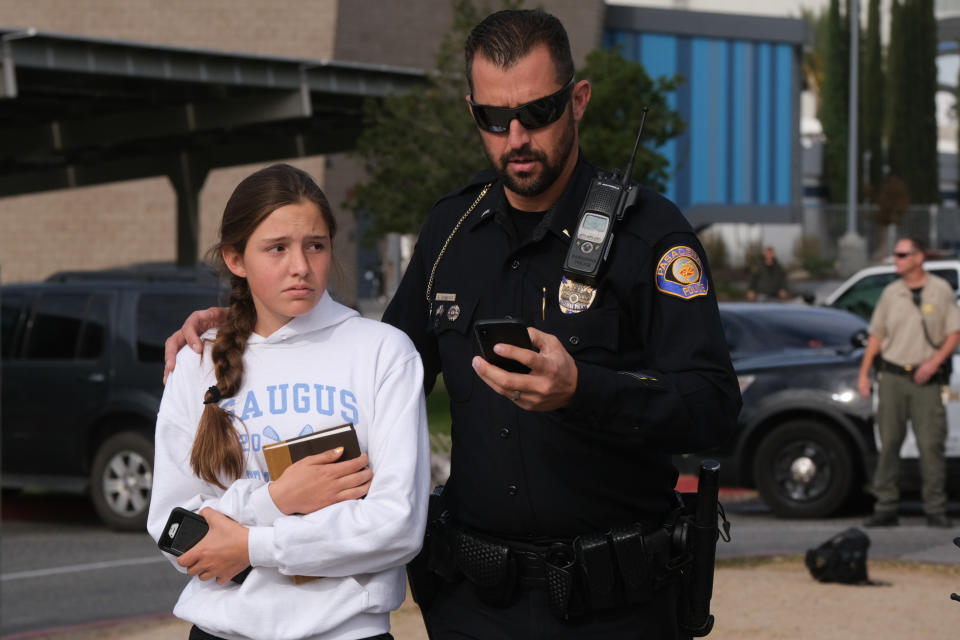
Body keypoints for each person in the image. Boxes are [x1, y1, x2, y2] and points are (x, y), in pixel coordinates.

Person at [165, 10, 740, 638]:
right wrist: (255, 315)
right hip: (476, 602)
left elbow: (712, 407)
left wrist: (584, 389)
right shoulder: (451, 232)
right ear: (473, 111)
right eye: (494, 118)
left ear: (578, 101)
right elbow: (369, 360)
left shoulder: (649, 234)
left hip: (615, 604)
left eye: (538, 112)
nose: (516, 136)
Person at [148, 163, 430, 640]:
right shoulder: (198, 362)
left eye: (315, 246)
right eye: (276, 248)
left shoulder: (383, 352)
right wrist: (276, 501)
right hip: (221, 631)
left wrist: (254, 545)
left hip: (346, 632)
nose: (300, 266)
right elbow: (174, 533)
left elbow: (396, 526)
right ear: (236, 259)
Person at [857, 236, 960, 529]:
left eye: (903, 254)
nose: (897, 259)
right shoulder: (891, 293)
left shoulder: (940, 291)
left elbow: (954, 332)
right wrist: (864, 373)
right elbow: (876, 336)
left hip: (926, 381)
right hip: (891, 378)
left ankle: (935, 508)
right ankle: (886, 505)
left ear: (919, 257)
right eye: (896, 254)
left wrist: (933, 363)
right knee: (889, 443)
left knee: (931, 445)